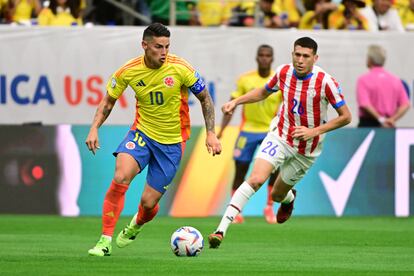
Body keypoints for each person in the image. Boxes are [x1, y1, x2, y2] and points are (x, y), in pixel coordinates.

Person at [86, 23, 222, 257]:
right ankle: (104, 240)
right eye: (158, 46)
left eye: (167, 47)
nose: (164, 52)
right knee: (120, 176)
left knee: (149, 203)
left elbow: (205, 98)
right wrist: (94, 129)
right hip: (142, 134)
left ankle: (136, 225)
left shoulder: (181, 68)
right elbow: (108, 101)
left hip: (172, 143)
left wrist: (210, 132)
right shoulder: (128, 70)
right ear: (145, 45)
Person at [208, 37, 352, 249]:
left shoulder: (325, 82)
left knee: (277, 194)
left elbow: (346, 116)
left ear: (315, 58)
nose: (300, 60)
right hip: (280, 136)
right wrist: (236, 101)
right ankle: (220, 230)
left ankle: (289, 198)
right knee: (256, 179)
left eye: (305, 56)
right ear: (292, 54)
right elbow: (263, 92)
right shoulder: (284, 72)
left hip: (307, 150)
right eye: (297, 54)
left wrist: (314, 131)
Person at [217, 44, 282, 224]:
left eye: (267, 55)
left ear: (272, 58)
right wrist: (222, 130)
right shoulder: (245, 79)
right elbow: (232, 104)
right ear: (256, 57)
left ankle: (269, 207)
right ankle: (236, 211)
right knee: (241, 170)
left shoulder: (279, 80)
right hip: (248, 131)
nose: (264, 58)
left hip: (271, 132)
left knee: (275, 169)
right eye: (261, 55)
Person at [356, 45, 410, 127]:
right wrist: (392, 119)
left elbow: (364, 104)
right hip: (389, 125)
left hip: (368, 125)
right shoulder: (395, 80)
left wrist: (381, 119)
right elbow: (405, 104)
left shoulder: (363, 79)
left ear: (370, 59)